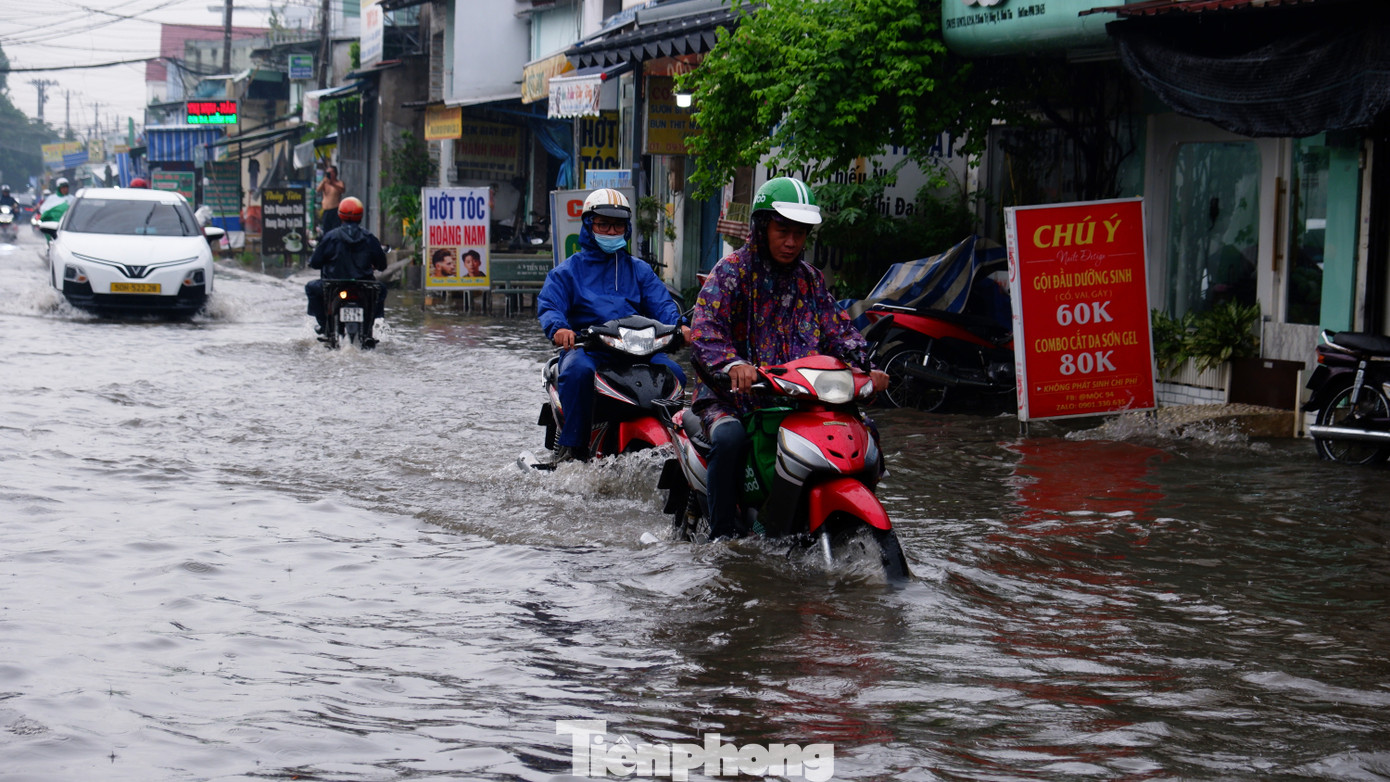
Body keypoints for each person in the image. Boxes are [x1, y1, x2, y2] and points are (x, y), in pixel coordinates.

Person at [689, 176, 889, 540]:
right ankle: (722, 540)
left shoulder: (810, 280)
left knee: (863, 432)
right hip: (732, 399)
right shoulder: (731, 272)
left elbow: (839, 331)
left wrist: (868, 368)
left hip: (798, 398)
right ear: (762, 227)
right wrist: (734, 366)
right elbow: (705, 331)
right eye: (783, 230)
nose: (792, 241)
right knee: (730, 438)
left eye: (801, 232)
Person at [537, 188, 690, 463]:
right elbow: (550, 305)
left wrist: (681, 327)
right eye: (603, 224)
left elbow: (664, 307)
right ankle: (575, 451)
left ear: (626, 228)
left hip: (639, 350)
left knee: (675, 373)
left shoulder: (639, 270)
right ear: (588, 225)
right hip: (589, 349)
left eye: (617, 225)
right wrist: (559, 329)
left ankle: (679, 450)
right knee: (578, 371)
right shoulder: (568, 271)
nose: (610, 231)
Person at [305, 196, 388, 334]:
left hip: (333, 286)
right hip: (364, 287)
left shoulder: (330, 236)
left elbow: (315, 262)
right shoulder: (369, 238)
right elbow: (382, 265)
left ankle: (324, 326)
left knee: (310, 288)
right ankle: (369, 327)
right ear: (361, 216)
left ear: (340, 215)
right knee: (382, 290)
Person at [315, 165, 346, 235]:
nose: (330, 174)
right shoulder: (325, 183)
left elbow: (342, 190)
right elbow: (318, 189)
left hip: (335, 209)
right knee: (326, 230)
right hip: (326, 210)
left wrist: (332, 183)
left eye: (331, 172)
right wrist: (324, 181)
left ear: (335, 173)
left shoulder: (339, 183)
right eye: (328, 173)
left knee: (336, 229)